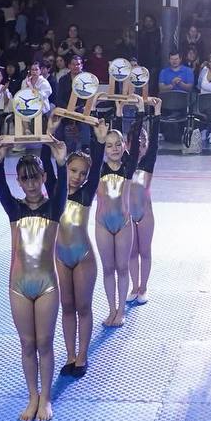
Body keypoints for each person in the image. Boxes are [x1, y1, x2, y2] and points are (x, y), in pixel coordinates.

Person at [0, 138, 67, 421]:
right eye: (25, 180)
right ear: (19, 182)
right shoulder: (15, 210)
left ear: (43, 178)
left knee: (45, 342)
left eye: (35, 178)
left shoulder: (53, 209)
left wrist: (60, 162)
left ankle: (46, 397)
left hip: (47, 285)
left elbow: (61, 192)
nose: (32, 184)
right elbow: (0, 189)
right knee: (27, 344)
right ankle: (32, 395)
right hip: (19, 286)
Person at [87, 106, 159, 327]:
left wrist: (140, 112)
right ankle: (111, 309)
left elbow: (137, 141)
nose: (114, 149)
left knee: (122, 267)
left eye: (119, 145)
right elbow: (95, 142)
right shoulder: (98, 166)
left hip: (124, 223)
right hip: (102, 224)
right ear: (104, 148)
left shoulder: (129, 166)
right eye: (109, 145)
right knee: (108, 269)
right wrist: (93, 108)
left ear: (125, 147)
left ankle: (121, 310)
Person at [55, 147, 98, 375]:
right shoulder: (55, 190)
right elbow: (48, 160)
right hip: (60, 258)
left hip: (83, 258)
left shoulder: (86, 193)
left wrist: (98, 142)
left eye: (83, 173)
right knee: (67, 306)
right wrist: (50, 132)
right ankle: (70, 354)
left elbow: (98, 162)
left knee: (83, 306)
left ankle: (82, 355)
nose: (77, 177)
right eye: (73, 170)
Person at [126, 104, 163, 306]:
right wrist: (138, 115)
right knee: (132, 252)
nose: (140, 145)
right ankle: (134, 286)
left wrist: (156, 115)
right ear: (127, 144)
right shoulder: (126, 163)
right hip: (129, 215)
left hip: (146, 214)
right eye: (135, 142)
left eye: (143, 141)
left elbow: (155, 142)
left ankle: (144, 287)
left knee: (145, 251)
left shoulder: (148, 161)